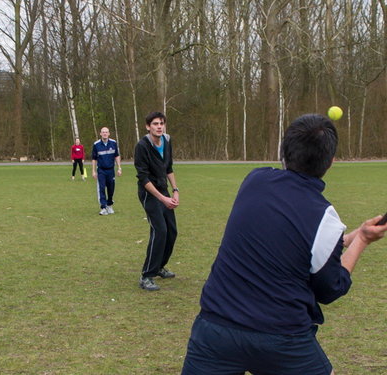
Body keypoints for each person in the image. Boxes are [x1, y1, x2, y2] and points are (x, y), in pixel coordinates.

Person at [181, 114, 387, 375]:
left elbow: (294, 246)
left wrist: (357, 234)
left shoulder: (253, 181)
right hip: (282, 340)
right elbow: (330, 288)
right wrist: (364, 242)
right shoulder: (325, 218)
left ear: (283, 152)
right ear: (331, 162)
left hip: (216, 329)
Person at [134, 111, 179, 291]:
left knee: (172, 232)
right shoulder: (142, 146)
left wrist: (175, 191)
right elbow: (143, 178)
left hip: (164, 191)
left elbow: (168, 168)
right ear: (148, 126)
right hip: (149, 193)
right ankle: (146, 275)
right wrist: (162, 198)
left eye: (161, 123)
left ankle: (159, 266)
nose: (159, 126)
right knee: (159, 231)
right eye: (155, 124)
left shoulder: (167, 141)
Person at [92, 127, 122, 215]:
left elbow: (117, 156)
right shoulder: (96, 144)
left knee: (111, 188)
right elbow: (94, 159)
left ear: (109, 133)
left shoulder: (113, 143)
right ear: (100, 134)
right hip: (101, 170)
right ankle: (103, 207)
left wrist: (119, 168)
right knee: (101, 188)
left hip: (111, 170)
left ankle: (109, 205)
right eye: (103, 132)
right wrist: (93, 171)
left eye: (106, 132)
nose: (105, 134)